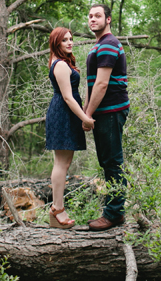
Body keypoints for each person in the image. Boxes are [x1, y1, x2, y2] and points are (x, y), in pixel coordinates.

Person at [83, 4, 129, 231]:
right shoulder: (99, 46)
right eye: (90, 16)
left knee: (113, 163)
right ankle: (112, 210)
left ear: (108, 19)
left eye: (98, 16)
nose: (93, 19)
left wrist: (87, 114)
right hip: (103, 112)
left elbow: (102, 84)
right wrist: (86, 112)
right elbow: (92, 83)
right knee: (107, 162)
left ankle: (114, 214)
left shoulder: (109, 44)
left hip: (111, 110)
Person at [45, 27, 95, 229]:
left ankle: (58, 209)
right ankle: (57, 210)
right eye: (64, 40)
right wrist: (85, 118)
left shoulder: (63, 63)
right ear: (56, 43)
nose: (69, 42)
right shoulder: (60, 66)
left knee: (64, 164)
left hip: (67, 113)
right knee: (61, 164)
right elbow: (67, 97)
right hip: (63, 114)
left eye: (71, 39)